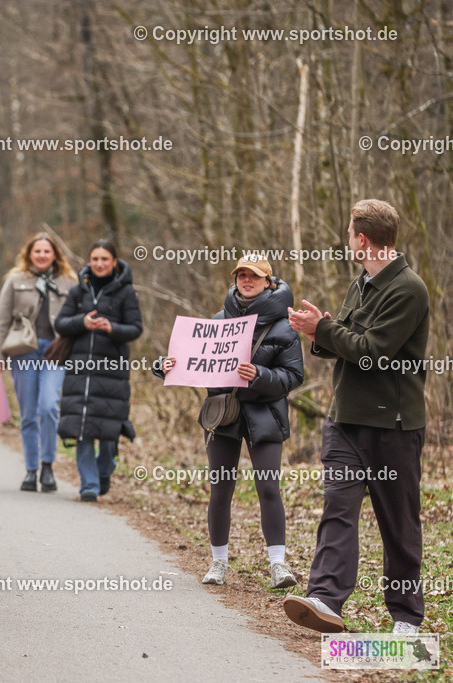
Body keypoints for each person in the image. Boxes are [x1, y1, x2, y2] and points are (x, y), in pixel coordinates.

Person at [284, 199, 429, 635]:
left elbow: (373, 351)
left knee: (398, 524)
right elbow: (347, 339)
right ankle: (325, 599)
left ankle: (406, 617)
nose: (347, 241)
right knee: (338, 510)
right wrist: (319, 330)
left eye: (349, 234)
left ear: (360, 238)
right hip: (345, 421)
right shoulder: (360, 282)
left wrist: (325, 330)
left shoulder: (408, 289)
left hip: (394, 426)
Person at [156, 254, 303, 589]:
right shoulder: (216, 322)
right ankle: (218, 563)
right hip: (223, 415)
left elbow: (294, 376)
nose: (246, 281)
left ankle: (278, 565)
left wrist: (260, 374)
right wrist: (164, 366)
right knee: (221, 489)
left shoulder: (284, 325)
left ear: (269, 281)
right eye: (240, 275)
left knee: (268, 487)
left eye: (253, 276)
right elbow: (192, 363)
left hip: (266, 415)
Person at [54, 239, 142, 502]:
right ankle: (89, 485)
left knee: (107, 430)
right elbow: (61, 323)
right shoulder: (78, 291)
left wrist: (111, 328)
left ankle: (105, 469)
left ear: (114, 262)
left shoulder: (126, 292)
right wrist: (82, 322)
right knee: (82, 428)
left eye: (105, 259)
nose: (100, 264)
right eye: (95, 259)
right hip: (79, 369)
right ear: (89, 261)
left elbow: (136, 329)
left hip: (111, 370)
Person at [0, 233, 77, 492]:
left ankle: (48, 466)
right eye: (36, 251)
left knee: (49, 407)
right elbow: (1, 319)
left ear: (55, 255)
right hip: (22, 352)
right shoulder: (16, 281)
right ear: (29, 254)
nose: (41, 255)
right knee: (28, 413)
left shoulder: (69, 283)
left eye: (46, 251)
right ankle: (31, 470)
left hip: (55, 353)